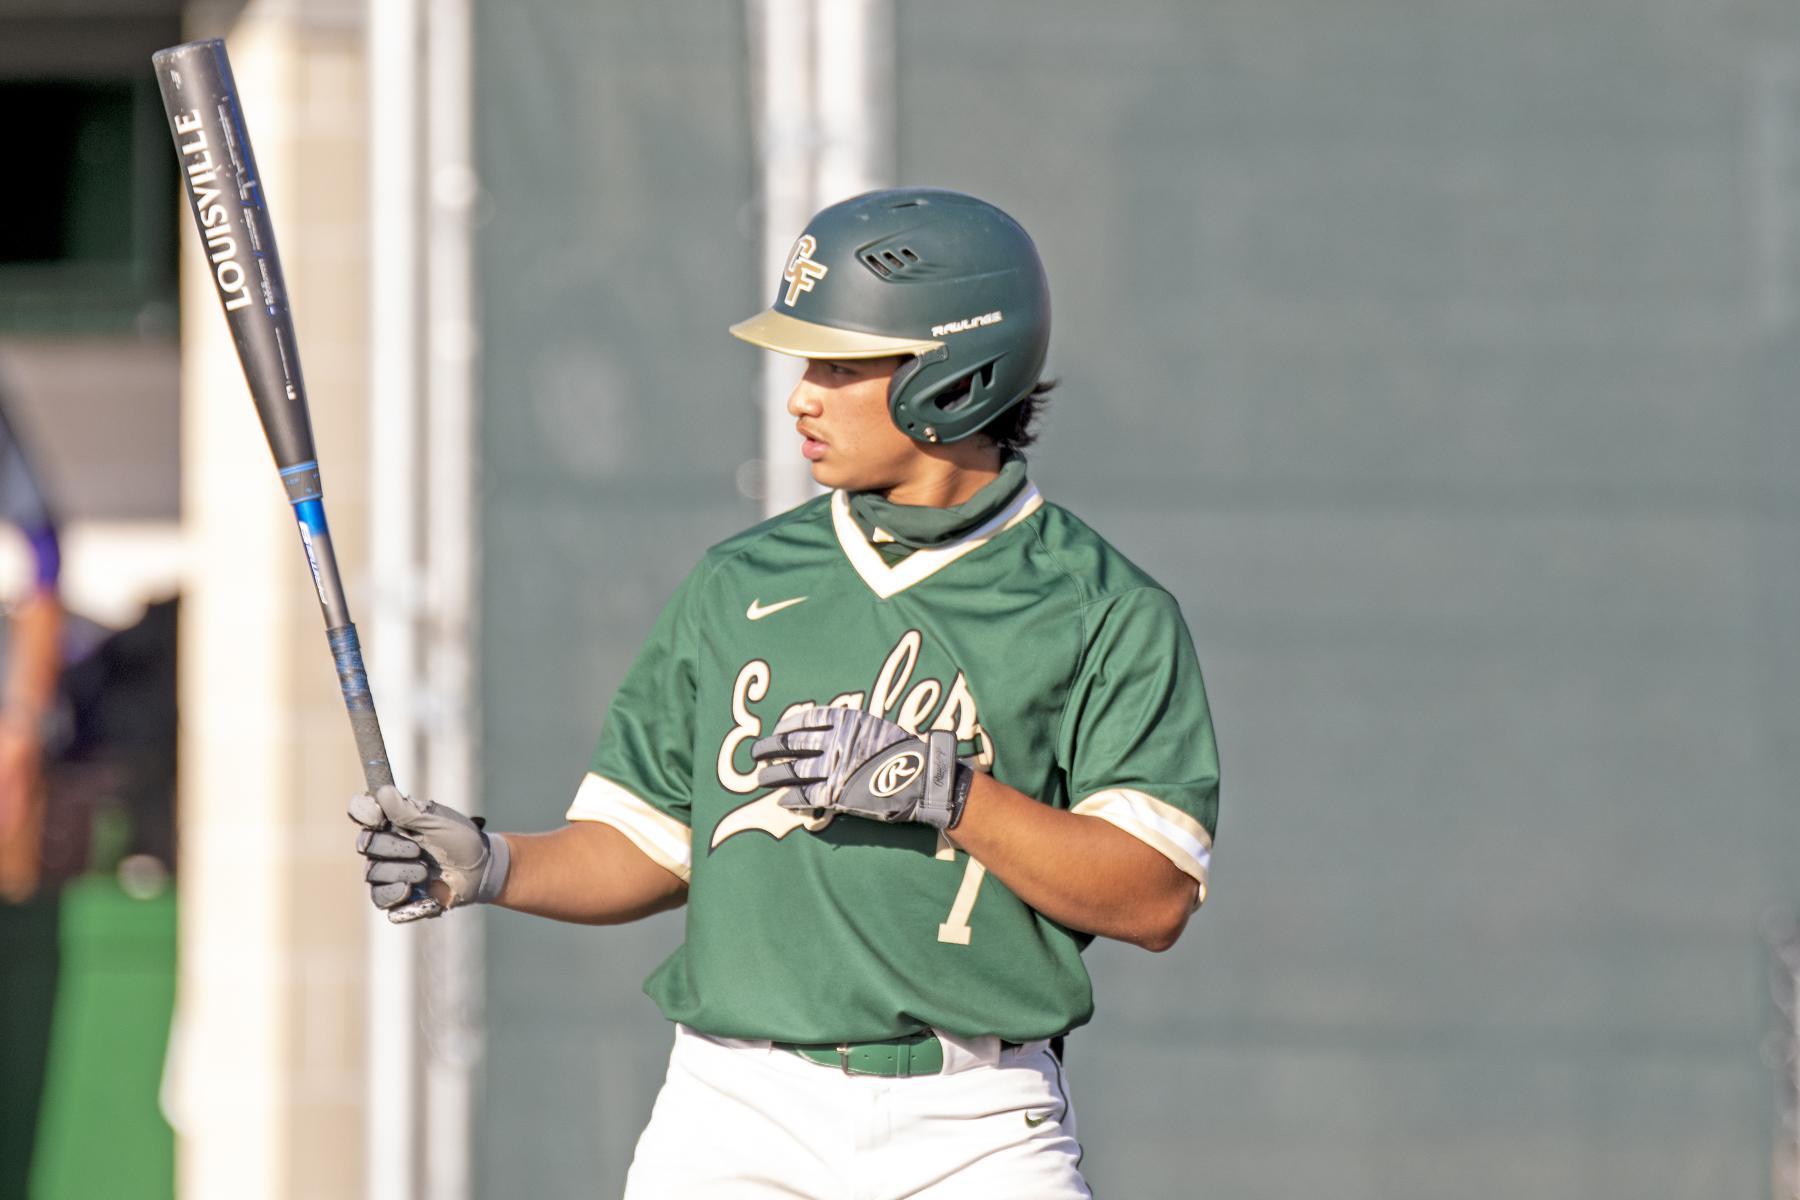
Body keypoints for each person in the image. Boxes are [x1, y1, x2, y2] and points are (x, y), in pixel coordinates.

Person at [353, 188, 1219, 1197]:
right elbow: (649, 844)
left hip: (977, 1123)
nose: (801, 394)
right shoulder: (740, 582)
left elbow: (1152, 896)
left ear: (957, 372)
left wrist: (947, 791)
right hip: (735, 1116)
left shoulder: (1098, 605)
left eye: (841, 365)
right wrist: (493, 863)